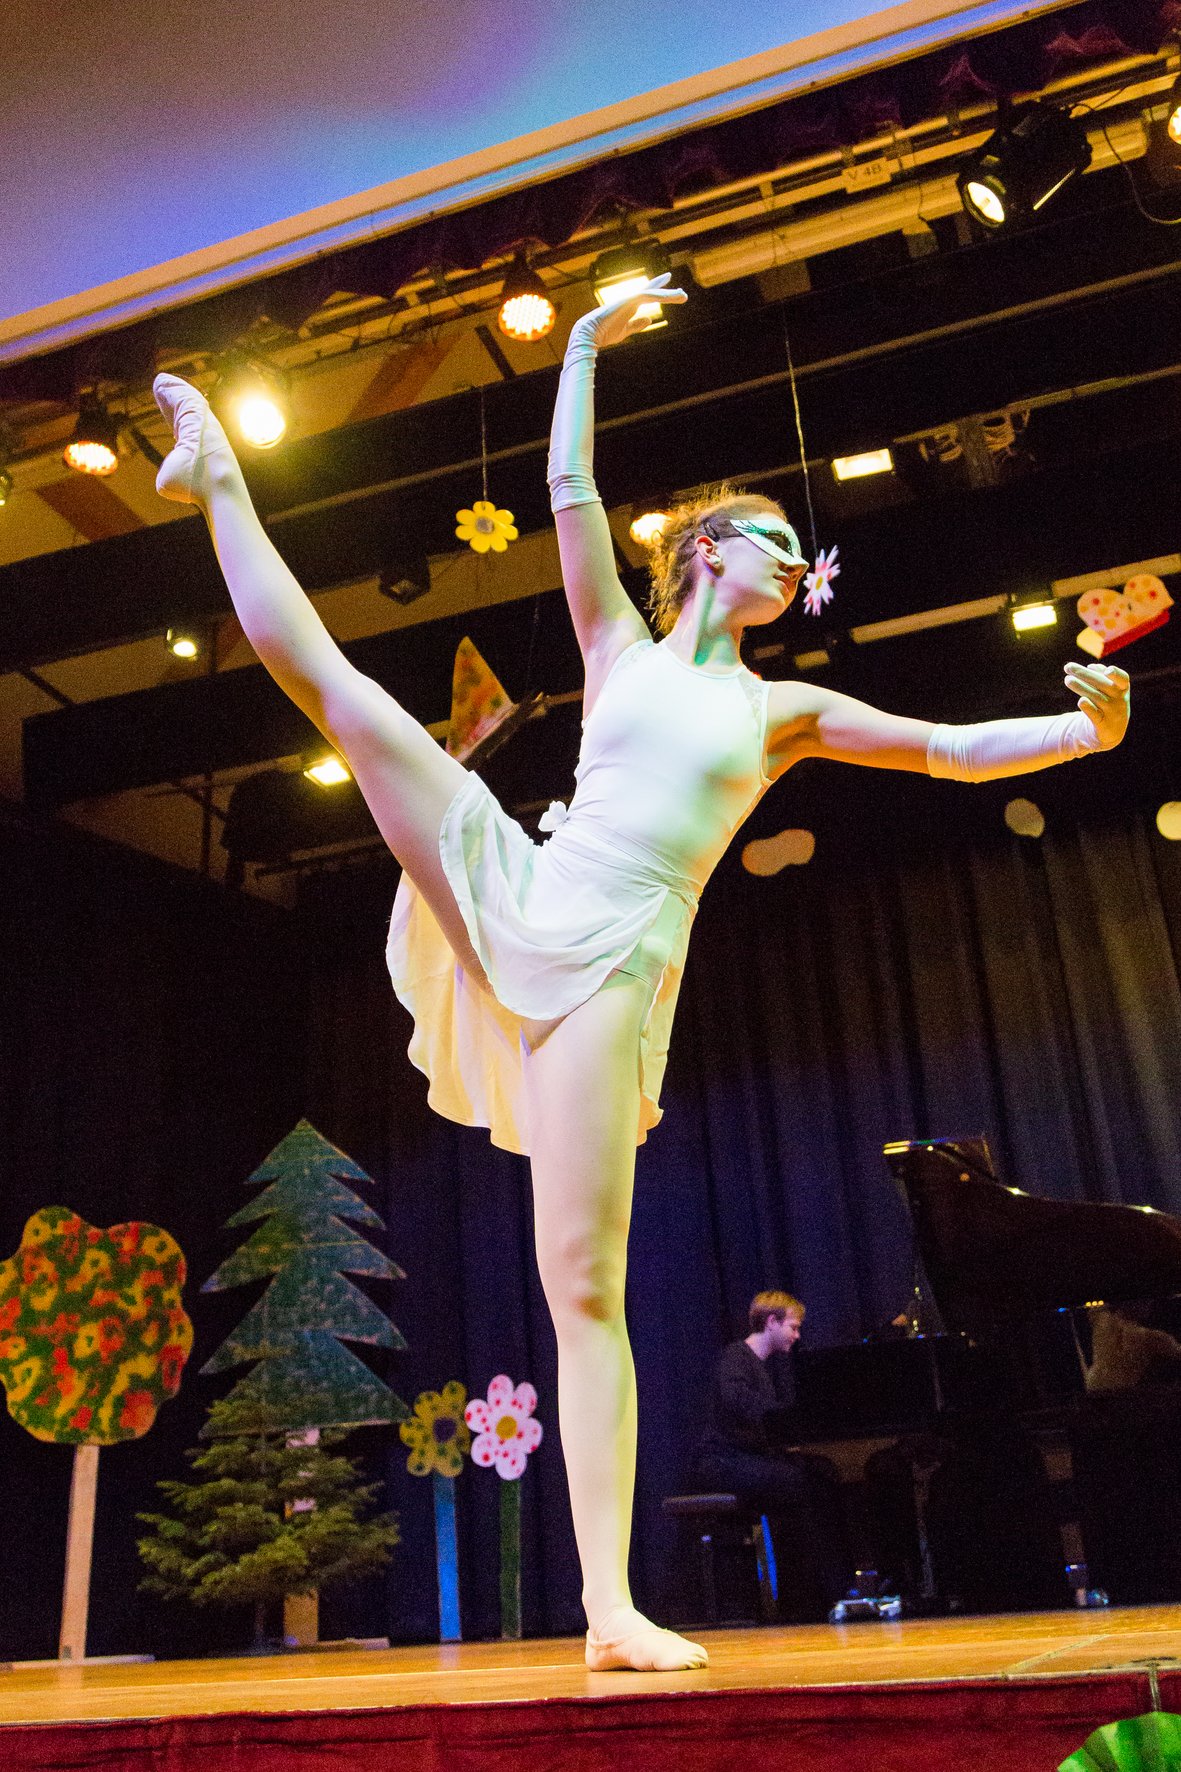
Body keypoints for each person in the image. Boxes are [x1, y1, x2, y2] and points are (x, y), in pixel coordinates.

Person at [151, 272, 1131, 1671]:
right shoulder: (615, 642)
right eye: (774, 541)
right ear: (710, 551)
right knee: (344, 696)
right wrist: (582, 350)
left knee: (583, 1287)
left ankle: (607, 1607)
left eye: (795, 551)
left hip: (617, 966)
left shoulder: (780, 707)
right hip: (528, 885)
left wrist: (1079, 735)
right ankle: (217, 482)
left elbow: (944, 749)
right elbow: (568, 490)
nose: (794, 562)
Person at [694, 1291, 850, 1620]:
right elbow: (739, 1402)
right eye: (793, 1327)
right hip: (722, 1461)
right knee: (796, 1482)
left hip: (742, 1458)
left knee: (820, 1474)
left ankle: (830, 1589)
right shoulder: (735, 1357)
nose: (797, 1335)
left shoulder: (760, 1367)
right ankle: (805, 1600)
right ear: (771, 1322)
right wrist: (783, 1419)